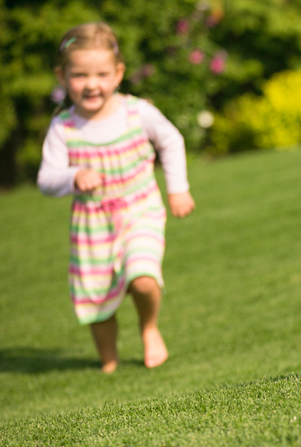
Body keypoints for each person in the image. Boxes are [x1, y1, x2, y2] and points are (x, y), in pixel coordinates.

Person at [37, 22, 195, 373]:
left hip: (140, 211)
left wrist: (178, 187)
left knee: (143, 277)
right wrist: (73, 176)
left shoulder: (137, 112)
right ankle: (108, 358)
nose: (91, 84)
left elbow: (170, 140)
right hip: (92, 226)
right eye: (79, 75)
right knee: (97, 299)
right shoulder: (63, 127)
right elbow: (46, 179)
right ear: (62, 76)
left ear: (118, 73)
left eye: (102, 74)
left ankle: (149, 327)